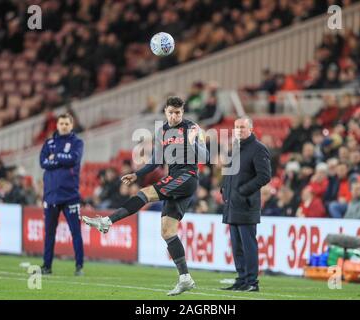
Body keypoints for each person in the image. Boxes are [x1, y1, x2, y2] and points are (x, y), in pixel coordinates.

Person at [83, 97, 208, 296]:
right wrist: (137, 174)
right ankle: (185, 278)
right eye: (171, 112)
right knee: (167, 232)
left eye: (178, 112)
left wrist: (193, 142)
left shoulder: (192, 128)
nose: (174, 116)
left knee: (145, 193)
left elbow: (205, 157)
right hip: (174, 179)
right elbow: (155, 161)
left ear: (183, 112)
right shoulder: (163, 132)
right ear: (165, 112)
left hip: (187, 176)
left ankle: (107, 221)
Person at [220, 117, 271, 292]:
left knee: (248, 244)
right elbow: (229, 174)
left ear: (251, 129)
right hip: (232, 205)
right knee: (237, 246)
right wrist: (224, 190)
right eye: (236, 127)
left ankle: (252, 282)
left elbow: (264, 176)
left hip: (246, 205)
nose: (239, 130)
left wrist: (243, 191)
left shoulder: (258, 149)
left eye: (242, 127)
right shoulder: (236, 148)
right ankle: (242, 279)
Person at [39, 113, 84, 276]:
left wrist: (56, 157)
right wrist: (60, 160)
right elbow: (42, 162)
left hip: (70, 195)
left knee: (76, 232)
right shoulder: (49, 143)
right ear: (57, 125)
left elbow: (73, 158)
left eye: (67, 123)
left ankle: (79, 266)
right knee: (49, 233)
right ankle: (47, 266)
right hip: (50, 195)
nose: (64, 126)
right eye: (61, 123)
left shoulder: (77, 142)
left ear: (71, 125)